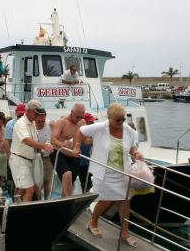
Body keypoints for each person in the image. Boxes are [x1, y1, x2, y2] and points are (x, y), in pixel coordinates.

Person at [73, 103, 144, 247]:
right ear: (109, 118)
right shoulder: (100, 128)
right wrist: (77, 146)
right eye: (118, 120)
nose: (121, 123)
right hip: (104, 172)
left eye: (123, 119)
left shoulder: (129, 131)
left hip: (122, 172)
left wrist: (136, 153)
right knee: (107, 201)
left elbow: (131, 148)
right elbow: (80, 131)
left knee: (125, 202)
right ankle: (93, 222)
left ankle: (125, 233)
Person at [9, 100, 54, 202]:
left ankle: (15, 209)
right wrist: (44, 146)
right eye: (36, 113)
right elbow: (27, 140)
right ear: (28, 111)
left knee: (22, 188)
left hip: (28, 160)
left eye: (39, 113)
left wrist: (40, 150)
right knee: (30, 189)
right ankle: (24, 214)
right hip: (20, 160)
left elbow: (34, 141)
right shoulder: (21, 123)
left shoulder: (31, 123)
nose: (37, 115)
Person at [50, 103, 86, 197]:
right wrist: (62, 144)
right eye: (77, 116)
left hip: (74, 156)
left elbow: (85, 140)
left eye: (81, 117)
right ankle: (69, 202)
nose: (79, 119)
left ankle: (64, 203)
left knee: (69, 184)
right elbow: (53, 139)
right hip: (59, 153)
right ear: (71, 112)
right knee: (67, 174)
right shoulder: (61, 122)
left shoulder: (82, 122)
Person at [35, 108, 55, 199]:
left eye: (43, 121)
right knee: (37, 181)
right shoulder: (31, 127)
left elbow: (55, 139)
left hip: (47, 157)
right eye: (38, 121)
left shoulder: (50, 124)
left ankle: (47, 199)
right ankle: (38, 200)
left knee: (48, 180)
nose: (41, 123)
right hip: (35, 158)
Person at [78, 112, 97, 193]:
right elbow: (87, 141)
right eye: (90, 121)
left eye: (93, 121)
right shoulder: (81, 133)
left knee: (92, 184)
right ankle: (87, 203)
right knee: (85, 185)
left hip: (91, 163)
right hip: (82, 164)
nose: (92, 123)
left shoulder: (91, 133)